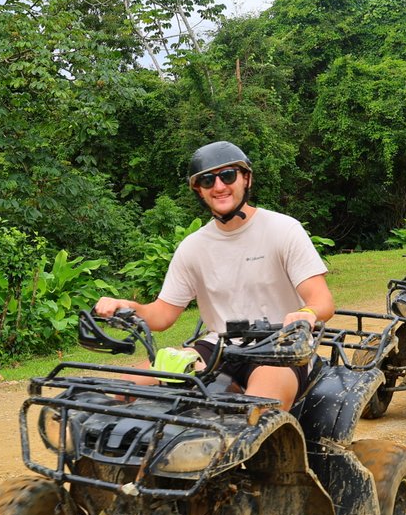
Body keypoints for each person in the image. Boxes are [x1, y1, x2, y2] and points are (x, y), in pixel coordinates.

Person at [94, 141, 334, 410]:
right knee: (127, 386)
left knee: (254, 410)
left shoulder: (284, 230)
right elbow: (162, 315)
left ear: (246, 178)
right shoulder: (193, 247)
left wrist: (307, 313)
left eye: (228, 175)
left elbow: (322, 301)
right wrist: (128, 307)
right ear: (199, 190)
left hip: (280, 348)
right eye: (208, 180)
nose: (219, 186)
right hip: (218, 347)